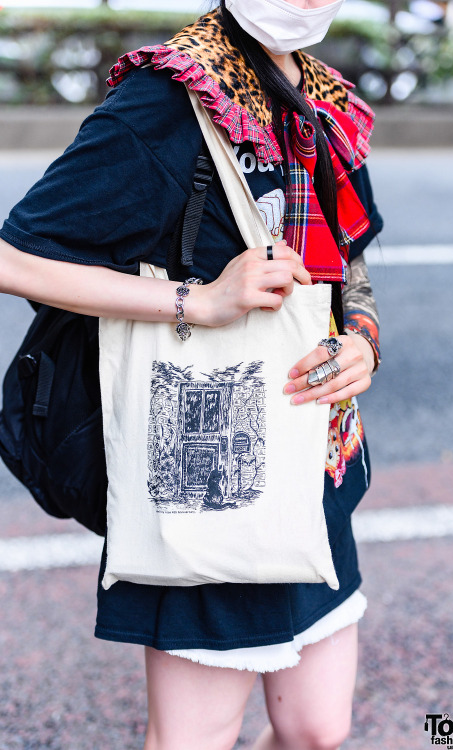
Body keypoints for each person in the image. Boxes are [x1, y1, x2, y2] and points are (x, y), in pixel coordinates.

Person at [0, 0, 384, 747]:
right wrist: (198, 302)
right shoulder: (171, 92)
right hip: (208, 474)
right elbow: (13, 257)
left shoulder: (321, 93)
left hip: (314, 462)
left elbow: (351, 259)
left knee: (316, 730)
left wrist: (365, 338)